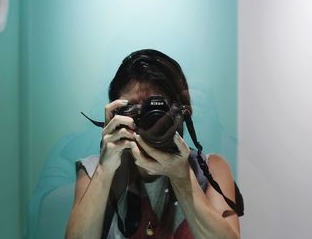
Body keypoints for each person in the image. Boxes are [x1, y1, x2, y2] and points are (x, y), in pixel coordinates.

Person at [65, 49, 243, 239]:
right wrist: (105, 169)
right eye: (133, 108)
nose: (149, 121)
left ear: (182, 113)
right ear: (115, 113)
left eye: (158, 108)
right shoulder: (93, 171)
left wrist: (182, 177)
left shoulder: (210, 170)